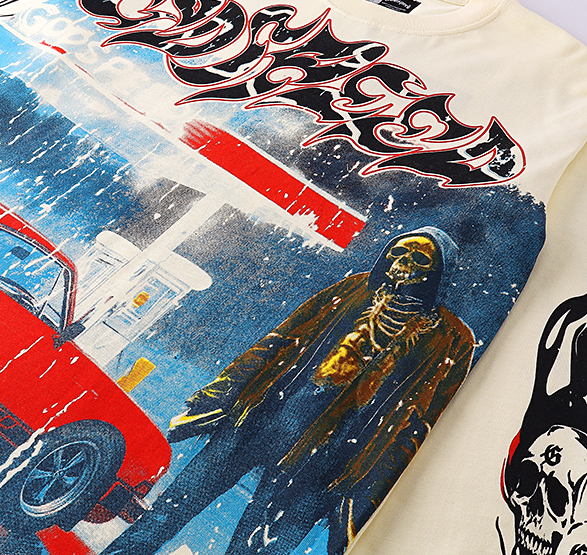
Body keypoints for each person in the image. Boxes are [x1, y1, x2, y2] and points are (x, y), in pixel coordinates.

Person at [105, 227, 475, 555]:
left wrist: (370, 488)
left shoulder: (452, 339)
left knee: (256, 550)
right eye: (398, 252)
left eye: (418, 259)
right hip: (261, 420)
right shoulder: (355, 289)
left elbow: (418, 426)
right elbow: (281, 338)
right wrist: (222, 393)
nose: (402, 263)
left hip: (324, 462)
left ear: (438, 273)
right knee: (168, 512)